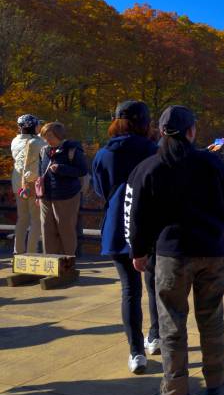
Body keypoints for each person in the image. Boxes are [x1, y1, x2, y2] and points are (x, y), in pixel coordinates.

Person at [127, 105, 224, 395]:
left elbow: (138, 217)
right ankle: (215, 378)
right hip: (212, 251)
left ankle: (175, 390)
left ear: (161, 131)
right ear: (191, 131)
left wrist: (138, 251)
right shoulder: (212, 163)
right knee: (212, 318)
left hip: (172, 254)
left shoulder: (149, 167)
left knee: (172, 324)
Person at [91, 101, 161, 374]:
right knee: (155, 284)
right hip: (149, 223)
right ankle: (155, 336)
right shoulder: (153, 151)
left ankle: (136, 352)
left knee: (129, 291)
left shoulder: (103, 154)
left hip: (117, 224)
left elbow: (100, 190)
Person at [38, 121, 88, 256]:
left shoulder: (72, 150)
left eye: (49, 136)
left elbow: (82, 170)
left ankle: (67, 262)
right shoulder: (44, 150)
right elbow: (40, 170)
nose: (46, 139)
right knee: (47, 229)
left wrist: (61, 169)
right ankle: (50, 260)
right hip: (46, 195)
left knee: (65, 228)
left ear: (59, 135)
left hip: (67, 195)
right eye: (44, 136)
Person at [10, 114, 45, 255]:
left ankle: (17, 251)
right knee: (36, 220)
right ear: (33, 126)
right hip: (32, 182)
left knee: (22, 218)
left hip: (18, 182)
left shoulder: (15, 140)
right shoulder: (37, 142)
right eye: (37, 125)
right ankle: (31, 252)